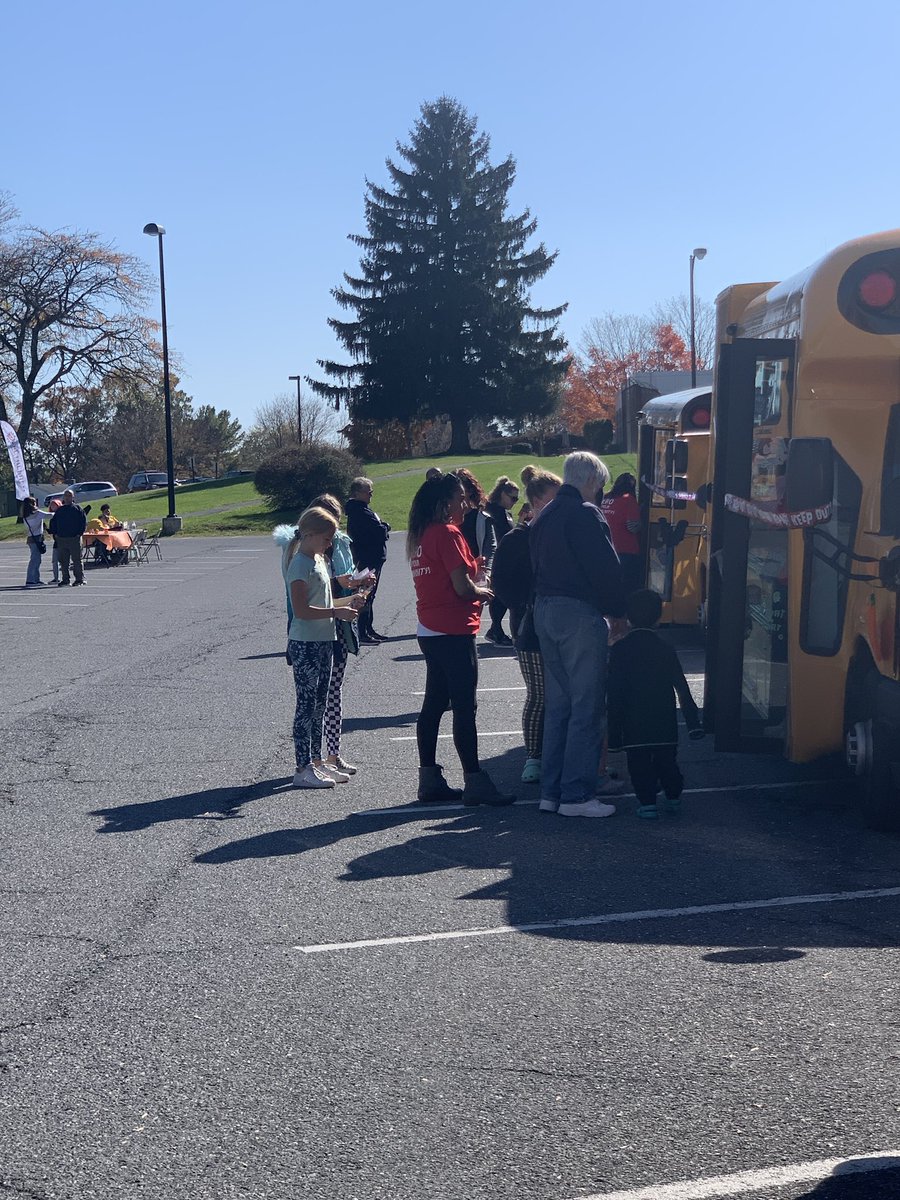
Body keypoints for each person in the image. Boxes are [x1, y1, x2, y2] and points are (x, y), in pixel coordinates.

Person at [407, 473, 515, 807]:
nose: (465, 505)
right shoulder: (448, 533)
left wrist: (474, 569)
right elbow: (461, 587)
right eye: (459, 498)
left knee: (434, 704)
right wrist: (483, 591)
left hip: (430, 628)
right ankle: (475, 779)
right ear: (444, 504)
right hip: (454, 629)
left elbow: (445, 576)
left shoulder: (421, 535)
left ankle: (429, 777)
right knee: (465, 707)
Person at [530, 451, 626, 817]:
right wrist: (618, 613)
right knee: (587, 706)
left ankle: (551, 792)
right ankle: (576, 794)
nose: (599, 494)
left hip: (544, 608)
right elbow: (605, 567)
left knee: (559, 706)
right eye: (599, 487)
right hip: (577, 613)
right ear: (591, 482)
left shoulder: (546, 514)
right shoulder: (585, 514)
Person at [283, 506, 365, 789]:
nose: (330, 544)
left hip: (324, 640)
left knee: (320, 704)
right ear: (309, 534)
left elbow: (327, 604)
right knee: (305, 707)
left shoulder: (319, 560)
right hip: (305, 643)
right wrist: (336, 613)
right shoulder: (299, 563)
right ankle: (301, 766)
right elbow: (302, 610)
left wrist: (350, 601)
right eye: (326, 539)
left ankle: (317, 763)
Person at [490, 465, 561, 783]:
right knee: (540, 692)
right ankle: (533, 756)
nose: (560, 506)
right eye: (553, 500)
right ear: (534, 502)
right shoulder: (515, 539)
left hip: (562, 624)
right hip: (529, 627)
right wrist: (524, 605)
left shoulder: (561, 532)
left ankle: (557, 751)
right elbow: (501, 584)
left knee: (566, 692)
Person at [607, 588, 703, 818]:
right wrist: (693, 723)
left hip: (633, 721)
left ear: (628, 617)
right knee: (667, 760)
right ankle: (673, 796)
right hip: (664, 717)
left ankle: (647, 802)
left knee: (638, 764)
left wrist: (614, 736)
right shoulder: (665, 648)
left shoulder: (620, 650)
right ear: (659, 617)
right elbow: (681, 686)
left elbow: (615, 691)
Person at [310, 492, 369, 778]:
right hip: (317, 628)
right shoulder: (304, 548)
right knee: (316, 697)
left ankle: (333, 754)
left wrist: (359, 586)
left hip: (343, 625)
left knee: (335, 693)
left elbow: (346, 577)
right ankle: (314, 760)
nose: (333, 533)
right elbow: (309, 589)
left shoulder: (343, 542)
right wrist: (338, 582)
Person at [346, 477, 391, 644]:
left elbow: (379, 528)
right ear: (357, 493)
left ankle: (368, 628)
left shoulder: (364, 510)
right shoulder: (359, 512)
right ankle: (362, 632)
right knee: (364, 595)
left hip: (373, 557)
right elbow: (378, 532)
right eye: (368, 491)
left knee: (370, 596)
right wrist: (385, 527)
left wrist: (382, 527)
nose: (371, 494)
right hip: (367, 559)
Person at [481, 476, 520, 645]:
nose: (514, 502)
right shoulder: (492, 511)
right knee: (501, 595)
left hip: (507, 559)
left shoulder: (506, 512)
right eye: (513, 498)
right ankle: (496, 629)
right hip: (497, 559)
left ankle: (495, 629)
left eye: (517, 499)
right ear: (502, 494)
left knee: (503, 595)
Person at [601, 473, 642, 595]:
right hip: (626, 550)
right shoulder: (628, 499)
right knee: (628, 588)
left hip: (606, 549)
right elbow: (632, 527)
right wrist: (641, 523)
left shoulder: (605, 498)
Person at [48, 489, 87, 587]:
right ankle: (65, 580)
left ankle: (79, 579)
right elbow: (53, 523)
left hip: (75, 539)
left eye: (69, 495)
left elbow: (83, 522)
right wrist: (55, 534)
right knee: (63, 561)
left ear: (73, 497)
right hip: (62, 539)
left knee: (77, 560)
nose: (67, 497)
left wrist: (79, 534)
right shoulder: (60, 510)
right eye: (65, 495)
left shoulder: (78, 509)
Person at [21, 497, 52, 588]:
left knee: (36, 559)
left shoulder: (25, 516)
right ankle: (30, 580)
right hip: (37, 538)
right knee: (35, 560)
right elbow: (50, 515)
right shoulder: (38, 514)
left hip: (30, 538)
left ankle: (36, 579)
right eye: (34, 502)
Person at [48, 498, 62, 583]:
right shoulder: (52, 517)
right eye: (52, 505)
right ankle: (56, 578)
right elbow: (53, 529)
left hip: (62, 539)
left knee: (64, 560)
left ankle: (65, 577)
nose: (53, 506)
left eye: (55, 505)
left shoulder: (62, 516)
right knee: (55, 561)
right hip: (56, 541)